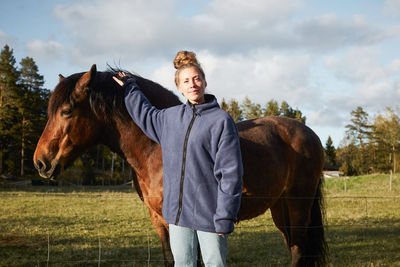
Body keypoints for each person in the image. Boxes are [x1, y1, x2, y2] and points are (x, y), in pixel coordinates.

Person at [113, 51, 243, 267]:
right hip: (177, 216)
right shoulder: (169, 118)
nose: (192, 84)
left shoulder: (221, 121)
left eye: (196, 79)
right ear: (179, 87)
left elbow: (230, 173)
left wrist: (225, 216)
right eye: (186, 81)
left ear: (204, 82)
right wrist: (130, 87)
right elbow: (144, 113)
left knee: (214, 264)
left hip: (210, 216)